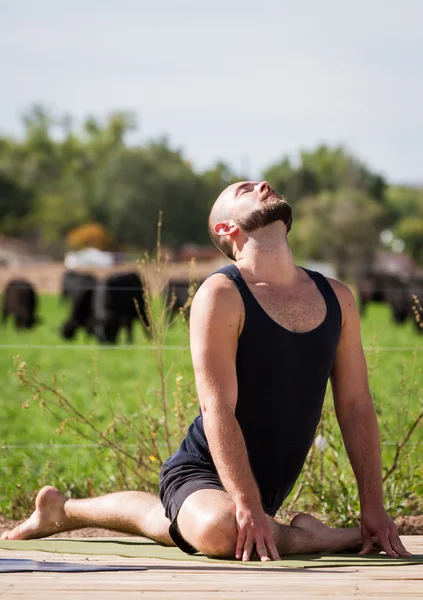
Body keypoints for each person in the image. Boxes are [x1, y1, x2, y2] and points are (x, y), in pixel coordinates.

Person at [2, 181, 410, 562]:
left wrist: (373, 507)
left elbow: (356, 406)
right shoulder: (221, 294)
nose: (262, 185)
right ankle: (338, 537)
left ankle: (62, 511)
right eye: (245, 190)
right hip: (204, 469)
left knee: (167, 522)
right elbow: (217, 408)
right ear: (226, 227)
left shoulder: (337, 297)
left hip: (265, 484)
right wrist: (246, 506)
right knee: (219, 528)